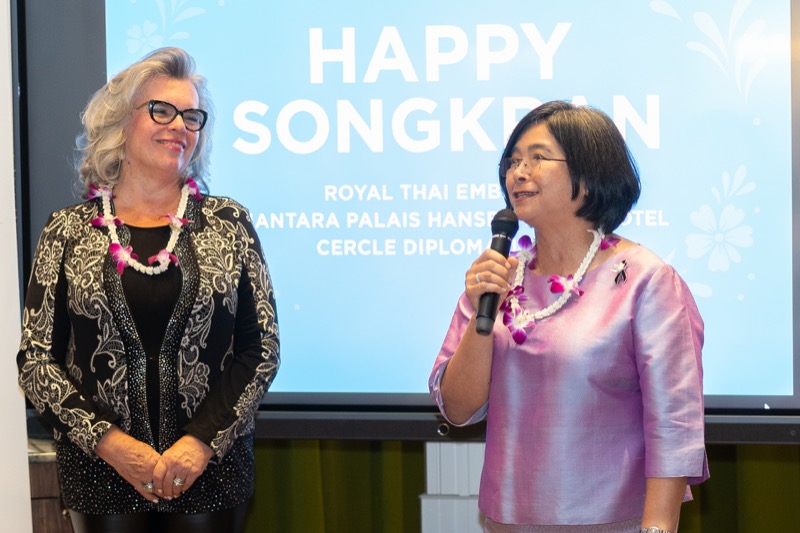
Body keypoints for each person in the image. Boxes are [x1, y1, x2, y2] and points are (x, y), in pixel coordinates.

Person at [17, 47, 279, 533]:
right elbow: (36, 360)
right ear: (120, 121)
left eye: (191, 116)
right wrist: (112, 445)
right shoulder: (66, 231)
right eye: (162, 110)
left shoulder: (229, 223)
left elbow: (260, 349)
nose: (179, 125)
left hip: (210, 472)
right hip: (101, 474)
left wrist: (200, 444)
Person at [429, 100, 708, 533]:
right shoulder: (498, 279)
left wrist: (658, 527)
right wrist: (483, 311)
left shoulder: (644, 281)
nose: (518, 173)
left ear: (590, 173)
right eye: (512, 161)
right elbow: (458, 409)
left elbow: (674, 424)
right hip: (507, 521)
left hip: (614, 522)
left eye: (538, 157)